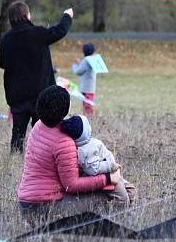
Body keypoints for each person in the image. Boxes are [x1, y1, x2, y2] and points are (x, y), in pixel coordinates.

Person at [18, 86, 128, 219]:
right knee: (115, 196)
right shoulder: (64, 142)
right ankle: (119, 221)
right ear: (65, 110)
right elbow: (71, 185)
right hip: (45, 208)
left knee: (124, 187)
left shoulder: (39, 126)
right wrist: (107, 179)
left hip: (25, 203)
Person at [0, 1, 73, 152]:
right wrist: (67, 16)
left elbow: (0, 62)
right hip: (40, 94)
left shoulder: (6, 39)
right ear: (27, 15)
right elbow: (60, 31)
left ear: (11, 18)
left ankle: (16, 157)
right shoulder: (38, 33)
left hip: (17, 95)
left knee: (17, 133)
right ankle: (38, 156)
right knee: (41, 132)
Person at [59, 114, 136, 203]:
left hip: (111, 173)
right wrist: (110, 165)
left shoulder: (86, 143)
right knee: (122, 200)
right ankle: (113, 213)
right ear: (86, 132)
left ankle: (128, 210)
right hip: (106, 174)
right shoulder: (86, 150)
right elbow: (93, 169)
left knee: (131, 190)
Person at [71, 42, 101, 117]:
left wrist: (75, 64)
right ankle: (88, 116)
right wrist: (80, 63)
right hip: (90, 88)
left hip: (86, 88)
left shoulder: (86, 61)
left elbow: (78, 71)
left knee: (87, 105)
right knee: (88, 104)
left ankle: (88, 118)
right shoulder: (93, 60)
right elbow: (85, 68)